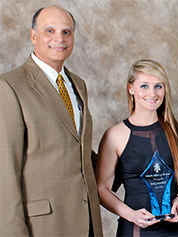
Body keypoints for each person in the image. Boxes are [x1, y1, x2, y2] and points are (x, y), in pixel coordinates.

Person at [0, 6, 103, 236]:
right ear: (33, 36)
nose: (60, 38)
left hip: (87, 222)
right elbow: (5, 171)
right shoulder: (9, 87)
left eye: (66, 32)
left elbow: (79, 150)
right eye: (50, 31)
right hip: (43, 226)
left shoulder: (78, 84)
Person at [95, 59, 178, 236]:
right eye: (144, 86)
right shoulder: (114, 136)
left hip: (177, 229)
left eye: (158, 86)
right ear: (131, 88)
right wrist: (130, 215)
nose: (152, 93)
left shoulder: (176, 130)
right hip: (135, 229)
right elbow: (102, 190)